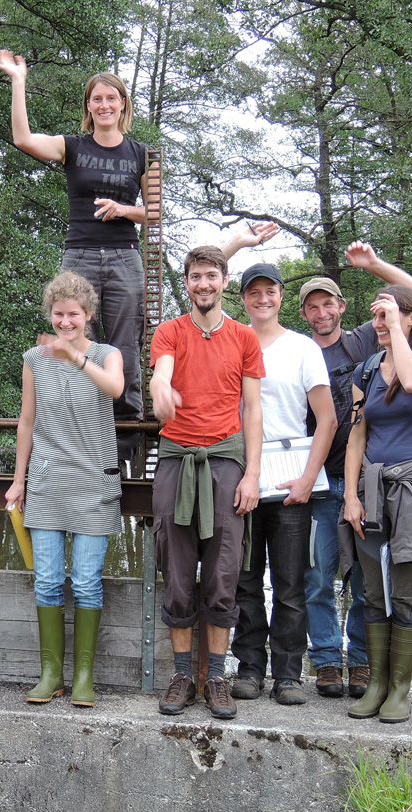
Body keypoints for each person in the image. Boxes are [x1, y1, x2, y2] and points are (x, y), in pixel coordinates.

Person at [0, 50, 152, 462]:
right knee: (77, 339)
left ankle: (123, 439)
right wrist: (18, 81)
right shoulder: (73, 147)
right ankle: (76, 430)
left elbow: (154, 211)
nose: (104, 105)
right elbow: (23, 139)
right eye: (96, 99)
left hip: (123, 255)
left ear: (122, 105)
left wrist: (124, 210)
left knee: (124, 344)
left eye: (111, 99)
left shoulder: (141, 154)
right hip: (79, 255)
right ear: (89, 106)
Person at [299, 243, 412, 698]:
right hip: (318, 484)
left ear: (342, 306)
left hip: (368, 483)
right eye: (311, 307)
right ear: (305, 315)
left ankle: (361, 662)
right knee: (318, 578)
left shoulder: (366, 340)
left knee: (368, 582)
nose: (321, 312)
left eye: (327, 303)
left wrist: (373, 265)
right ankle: (326, 661)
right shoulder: (298, 351)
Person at [148, 246, 263, 718]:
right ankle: (181, 675)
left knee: (223, 570)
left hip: (225, 460)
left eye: (211, 276)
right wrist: (161, 392)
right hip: (177, 457)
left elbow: (253, 409)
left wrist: (252, 474)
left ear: (224, 280)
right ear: (188, 282)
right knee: (176, 568)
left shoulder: (244, 338)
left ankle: (215, 676)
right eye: (196, 276)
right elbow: (163, 376)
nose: (203, 284)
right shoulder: (169, 332)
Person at [5, 271, 125, 707]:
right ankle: (51, 673)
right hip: (48, 482)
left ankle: (84, 677)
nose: (66, 322)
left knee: (88, 582)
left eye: (73, 314)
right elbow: (27, 422)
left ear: (88, 315)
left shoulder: (108, 354)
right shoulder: (34, 358)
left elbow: (116, 389)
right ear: (50, 315)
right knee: (48, 581)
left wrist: (73, 356)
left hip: (95, 482)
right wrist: (19, 481)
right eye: (58, 314)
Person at [342, 285, 412, 723]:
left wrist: (396, 327)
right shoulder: (367, 370)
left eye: (387, 313)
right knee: (374, 590)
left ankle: (400, 692)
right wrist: (351, 497)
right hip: (372, 489)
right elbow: (357, 437)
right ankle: (376, 684)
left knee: (405, 589)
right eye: (374, 314)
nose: (377, 322)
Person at [230, 263, 336, 706]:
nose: (262, 299)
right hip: (241, 476)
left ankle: (288, 674)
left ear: (280, 297)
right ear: (243, 299)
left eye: (270, 291)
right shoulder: (231, 340)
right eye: (253, 292)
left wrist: (309, 479)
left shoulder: (302, 348)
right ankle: (250, 668)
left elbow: (327, 418)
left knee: (291, 582)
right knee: (246, 580)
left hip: (291, 478)